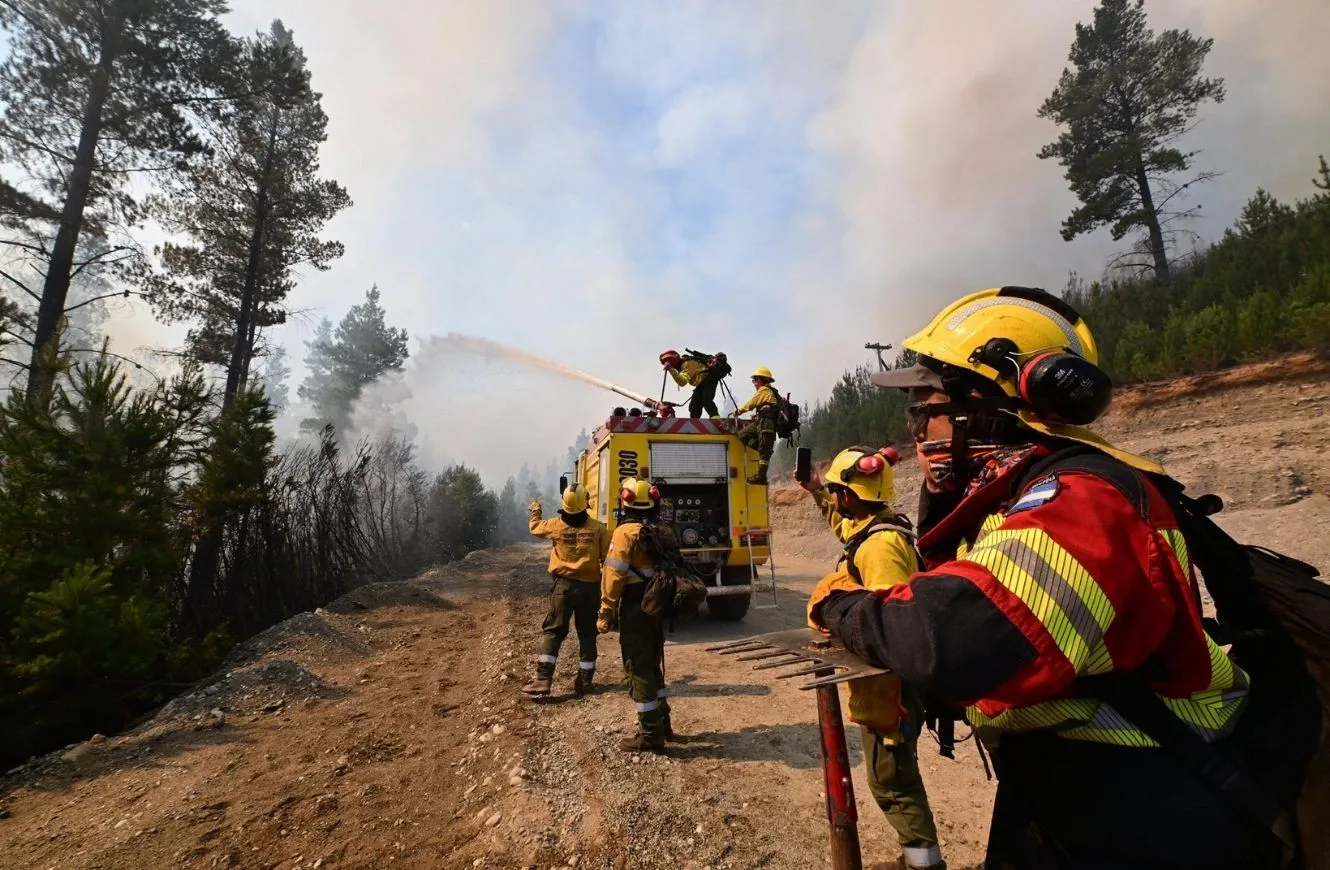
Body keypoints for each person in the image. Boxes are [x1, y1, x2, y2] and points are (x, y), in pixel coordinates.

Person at [807, 286, 1315, 869]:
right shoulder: (1019, 497)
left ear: (986, 407)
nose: (916, 430)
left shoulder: (1083, 498)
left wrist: (839, 606)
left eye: (926, 409)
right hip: (1069, 779)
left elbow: (957, 636)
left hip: (1144, 798)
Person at [800, 446, 944, 870]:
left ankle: (923, 864)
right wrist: (816, 491)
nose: (835, 499)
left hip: (890, 687)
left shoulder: (880, 549)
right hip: (890, 682)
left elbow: (891, 625)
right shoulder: (875, 526)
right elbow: (845, 528)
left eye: (836, 492)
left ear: (849, 495)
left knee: (891, 782)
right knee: (893, 776)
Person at [597, 477, 675, 752]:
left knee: (638, 667)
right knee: (652, 662)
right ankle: (663, 723)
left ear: (625, 501)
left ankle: (651, 734)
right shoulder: (661, 529)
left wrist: (606, 610)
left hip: (635, 606)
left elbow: (613, 575)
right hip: (657, 605)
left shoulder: (624, 533)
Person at [522, 484, 610, 697]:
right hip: (590, 588)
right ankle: (585, 681)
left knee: (554, 631)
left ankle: (543, 679)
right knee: (587, 634)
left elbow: (535, 528)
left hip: (564, 587)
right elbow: (606, 559)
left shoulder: (555, 525)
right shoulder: (598, 528)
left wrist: (535, 510)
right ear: (586, 503)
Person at [735, 366, 779, 485]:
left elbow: (751, 403)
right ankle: (765, 450)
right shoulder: (767, 392)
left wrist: (739, 411)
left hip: (767, 424)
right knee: (742, 435)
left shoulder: (764, 390)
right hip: (761, 422)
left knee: (764, 451)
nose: (754, 383)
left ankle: (761, 477)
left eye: (755, 380)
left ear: (763, 380)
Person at [659, 349, 728, 418]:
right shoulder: (686, 362)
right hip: (702, 383)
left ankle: (715, 419)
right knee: (694, 405)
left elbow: (682, 382)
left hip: (709, 379)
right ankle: (694, 421)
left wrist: (671, 369)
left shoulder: (687, 364)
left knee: (707, 400)